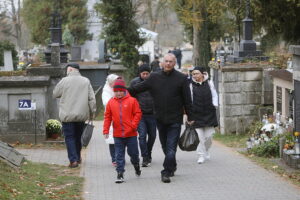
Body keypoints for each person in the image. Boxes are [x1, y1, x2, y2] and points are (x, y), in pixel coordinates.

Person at [127, 53, 194, 183]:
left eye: (171, 62)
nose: (168, 64)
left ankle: (166, 172)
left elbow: (187, 99)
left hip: (175, 118)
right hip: (159, 118)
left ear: (175, 63)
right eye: (166, 61)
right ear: (162, 63)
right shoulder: (154, 77)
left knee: (171, 147)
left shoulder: (181, 78)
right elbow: (137, 89)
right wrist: (122, 90)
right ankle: (172, 165)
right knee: (165, 147)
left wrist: (190, 116)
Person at [53, 63, 96, 168]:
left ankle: (73, 160)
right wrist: (92, 112)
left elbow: (55, 93)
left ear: (71, 69)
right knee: (78, 137)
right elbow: (91, 98)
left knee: (69, 137)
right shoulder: (86, 81)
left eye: (67, 69)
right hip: (81, 115)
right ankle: (78, 157)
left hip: (67, 115)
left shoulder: (64, 81)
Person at [103, 79, 142, 183]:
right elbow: (107, 117)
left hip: (131, 134)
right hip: (118, 134)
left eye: (121, 91)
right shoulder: (111, 102)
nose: (118, 93)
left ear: (124, 90)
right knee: (119, 155)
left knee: (133, 154)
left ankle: (136, 165)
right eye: (116, 91)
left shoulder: (132, 101)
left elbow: (138, 113)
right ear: (113, 91)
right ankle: (120, 173)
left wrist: (133, 125)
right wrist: (106, 130)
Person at [189, 66, 218, 164]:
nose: (195, 75)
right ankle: (201, 155)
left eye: (197, 73)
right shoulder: (190, 85)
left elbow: (214, 95)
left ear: (202, 74)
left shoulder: (209, 83)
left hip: (209, 113)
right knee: (200, 137)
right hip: (196, 115)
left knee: (209, 137)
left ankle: (206, 150)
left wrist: (214, 104)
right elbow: (189, 100)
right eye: (193, 74)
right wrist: (189, 114)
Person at [130, 64, 157, 167]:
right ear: (140, 73)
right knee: (142, 136)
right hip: (140, 114)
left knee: (153, 136)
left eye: (147, 73)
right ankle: (145, 157)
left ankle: (148, 152)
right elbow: (131, 97)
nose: (145, 75)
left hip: (152, 114)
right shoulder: (134, 82)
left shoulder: (154, 82)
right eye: (143, 73)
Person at [102, 74, 120, 167]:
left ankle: (119, 157)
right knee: (112, 140)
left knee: (120, 139)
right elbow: (106, 102)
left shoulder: (119, 88)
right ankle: (114, 158)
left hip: (121, 116)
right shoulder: (106, 91)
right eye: (115, 82)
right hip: (111, 117)